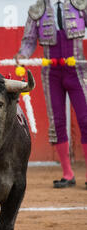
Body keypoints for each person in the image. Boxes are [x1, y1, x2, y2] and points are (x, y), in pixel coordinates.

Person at [15, 0, 87, 189]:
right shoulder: (37, 10)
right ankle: (67, 174)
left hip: (78, 69)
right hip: (51, 73)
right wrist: (22, 55)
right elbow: (29, 41)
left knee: (86, 120)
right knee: (57, 122)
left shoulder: (81, 4)